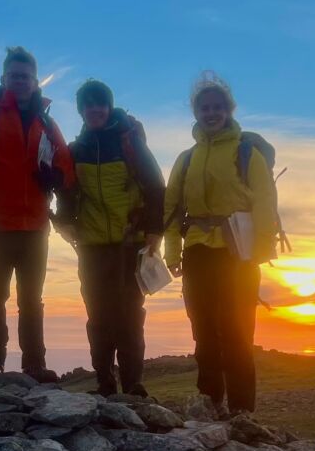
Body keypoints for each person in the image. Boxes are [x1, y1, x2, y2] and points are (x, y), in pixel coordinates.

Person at [0, 46, 74, 382]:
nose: (19, 81)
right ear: (4, 79)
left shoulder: (46, 122)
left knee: (32, 299)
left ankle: (34, 364)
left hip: (34, 226)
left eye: (26, 77)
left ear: (35, 82)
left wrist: (56, 177)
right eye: (14, 76)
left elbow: (65, 164)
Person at [163, 72, 278, 416]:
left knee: (238, 333)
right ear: (195, 112)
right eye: (204, 108)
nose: (211, 113)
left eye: (217, 107)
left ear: (228, 110)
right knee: (203, 334)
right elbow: (170, 211)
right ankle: (209, 405)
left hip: (237, 254)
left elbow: (265, 204)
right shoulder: (186, 159)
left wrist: (257, 251)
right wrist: (172, 253)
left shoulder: (246, 153)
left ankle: (243, 413)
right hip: (197, 250)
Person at [66, 79, 165, 397]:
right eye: (88, 104)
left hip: (130, 243)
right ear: (81, 110)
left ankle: (133, 383)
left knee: (130, 314)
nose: (95, 109)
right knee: (98, 315)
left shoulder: (130, 143)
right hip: (92, 246)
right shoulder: (75, 150)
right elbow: (67, 193)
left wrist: (154, 231)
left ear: (108, 107)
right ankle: (105, 381)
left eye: (100, 103)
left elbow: (155, 188)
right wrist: (64, 221)